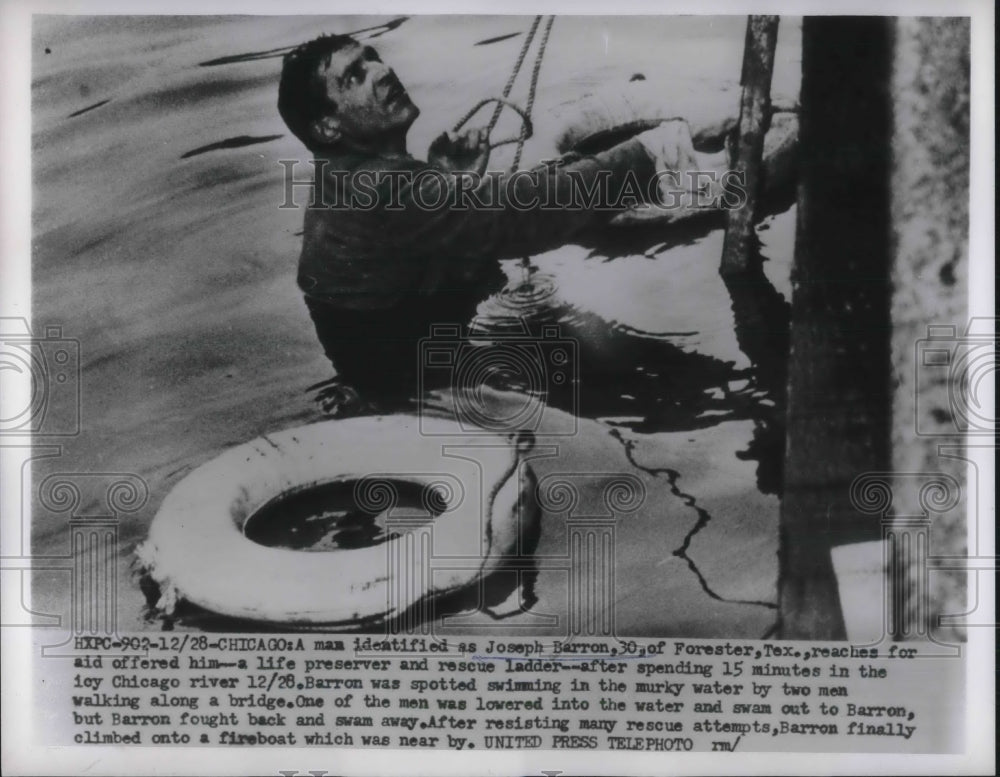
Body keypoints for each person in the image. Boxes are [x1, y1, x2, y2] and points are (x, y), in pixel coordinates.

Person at [277, 33, 724, 413]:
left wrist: (450, 183)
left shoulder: (345, 179)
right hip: (421, 390)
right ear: (328, 127)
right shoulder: (386, 187)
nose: (382, 71)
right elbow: (526, 214)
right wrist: (651, 154)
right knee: (662, 385)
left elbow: (418, 240)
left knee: (601, 353)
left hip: (409, 363)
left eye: (374, 57)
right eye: (354, 77)